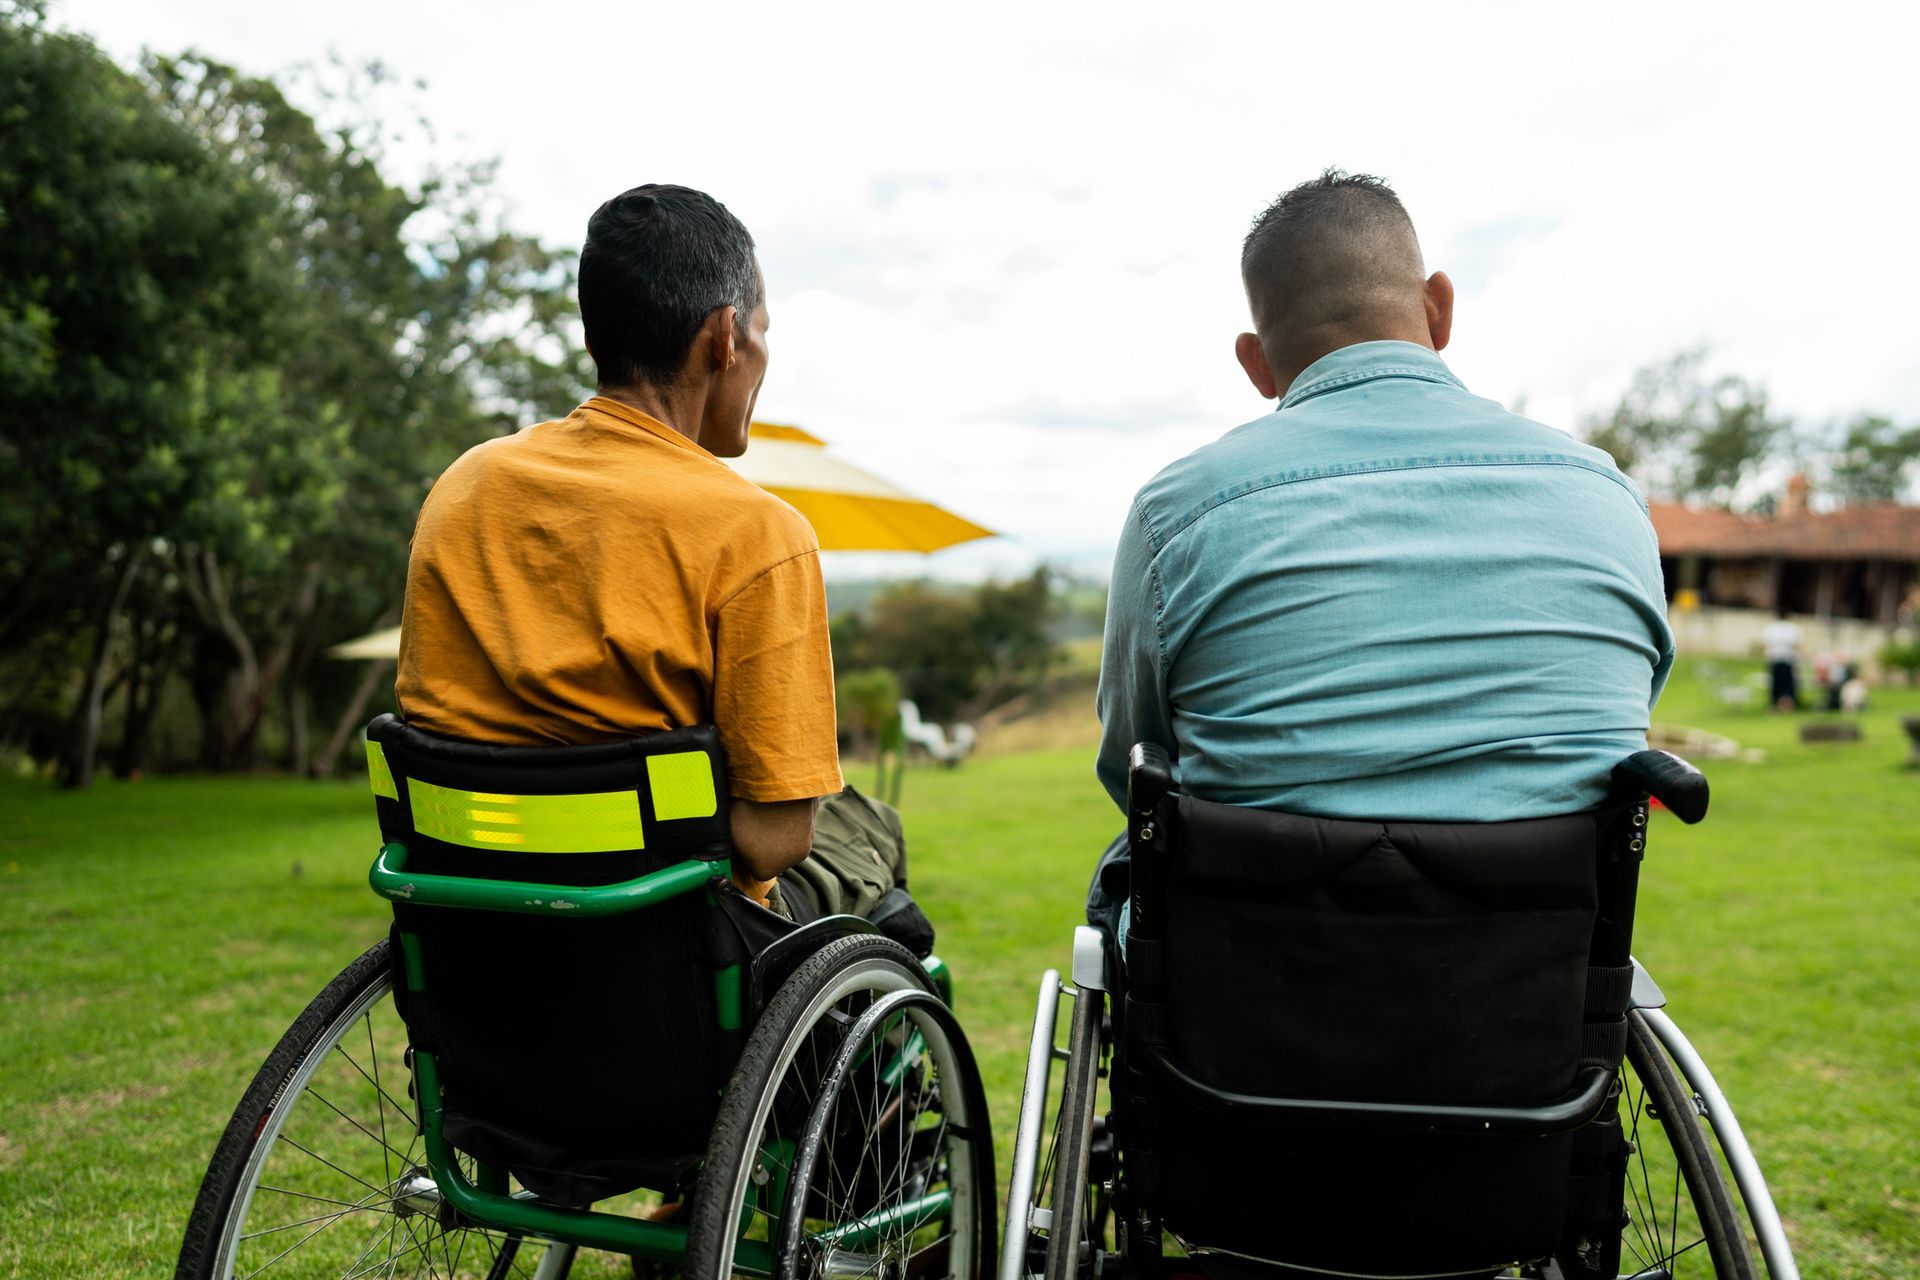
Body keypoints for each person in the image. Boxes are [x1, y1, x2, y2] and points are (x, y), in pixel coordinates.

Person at [1090, 170, 1674, 937]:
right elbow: (1624, 723)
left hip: (1245, 1000)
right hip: (1536, 998)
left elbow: (1130, 762)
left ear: (1255, 362)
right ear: (1439, 308)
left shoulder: (1176, 516)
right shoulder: (1609, 500)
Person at [396, 183, 911, 929]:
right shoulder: (756, 532)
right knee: (868, 826)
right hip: (673, 938)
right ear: (725, 336)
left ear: (594, 337)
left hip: (477, 925)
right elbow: (772, 841)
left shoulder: (464, 488)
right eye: (763, 330)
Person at [1763, 609, 1803, 712]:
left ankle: (1776, 704)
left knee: (1776, 684)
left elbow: (1766, 645)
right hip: (1788, 659)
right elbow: (1797, 645)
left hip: (1775, 659)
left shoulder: (1771, 627)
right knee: (1788, 684)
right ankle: (1787, 706)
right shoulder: (1793, 628)